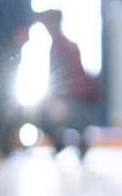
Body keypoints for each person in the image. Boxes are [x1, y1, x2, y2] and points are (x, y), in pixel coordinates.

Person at [35, 10, 101, 157]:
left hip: (74, 103)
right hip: (76, 102)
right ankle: (66, 141)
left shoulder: (62, 46)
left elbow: (67, 81)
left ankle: (67, 142)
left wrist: (58, 102)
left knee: (39, 115)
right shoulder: (63, 45)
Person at [0, 0, 33, 156]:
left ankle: (4, 142)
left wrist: (22, 28)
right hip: (8, 37)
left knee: (4, 92)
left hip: (6, 39)